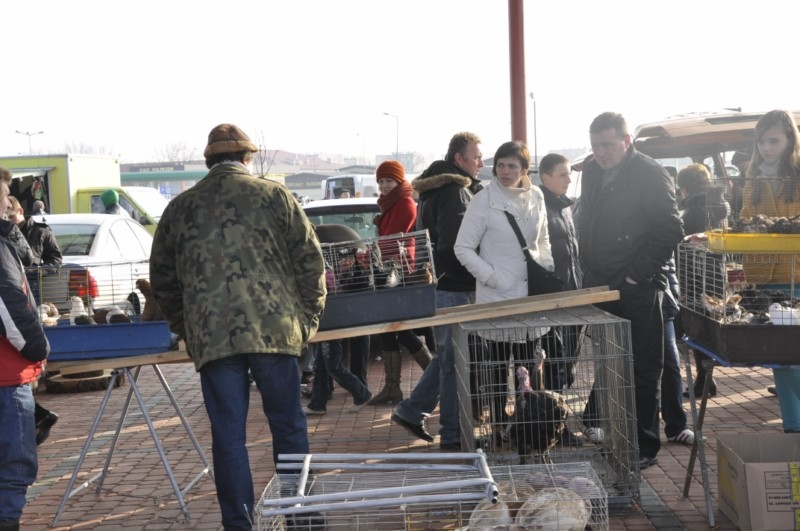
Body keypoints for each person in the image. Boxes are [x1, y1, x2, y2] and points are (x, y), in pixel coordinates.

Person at [149, 123, 327, 530]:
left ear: (208, 161)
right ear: (247, 158)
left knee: (228, 437)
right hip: (275, 330)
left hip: (213, 337)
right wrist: (306, 322)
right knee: (288, 427)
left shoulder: (179, 208)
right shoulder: (275, 195)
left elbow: (162, 279)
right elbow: (310, 263)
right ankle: (301, 518)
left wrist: (187, 327)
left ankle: (239, 523)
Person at [575, 112, 684, 470]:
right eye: (595, 146)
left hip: (638, 290)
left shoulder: (650, 173)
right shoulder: (592, 171)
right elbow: (586, 219)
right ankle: (616, 439)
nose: (600, 152)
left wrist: (636, 276)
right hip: (601, 285)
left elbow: (671, 229)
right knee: (609, 368)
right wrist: (588, 270)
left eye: (607, 145)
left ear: (626, 141)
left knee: (643, 370)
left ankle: (642, 446)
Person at [454, 140, 555, 443]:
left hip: (531, 295)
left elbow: (543, 238)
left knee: (530, 367)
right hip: (497, 297)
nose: (505, 171)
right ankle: (499, 428)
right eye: (500, 165)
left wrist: (545, 267)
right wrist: (491, 277)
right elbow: (463, 247)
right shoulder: (483, 200)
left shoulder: (536, 196)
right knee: (498, 369)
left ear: (525, 169)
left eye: (512, 166)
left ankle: (530, 427)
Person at [391, 132, 484, 449]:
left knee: (448, 356)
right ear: (459, 158)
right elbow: (457, 245)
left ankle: (412, 410)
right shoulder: (455, 191)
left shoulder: (433, 190)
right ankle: (453, 434)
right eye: (476, 157)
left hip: (442, 283)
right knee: (454, 362)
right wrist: (478, 274)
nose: (480, 163)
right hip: (455, 285)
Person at [738, 110, 800, 433]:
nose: (766, 147)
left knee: (792, 357)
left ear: (791, 139)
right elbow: (746, 218)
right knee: (782, 359)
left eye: (773, 140)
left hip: (797, 274)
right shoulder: (754, 177)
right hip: (765, 276)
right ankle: (793, 428)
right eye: (761, 141)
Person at [0, 180, 51, 531]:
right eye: (4, 196)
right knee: (14, 464)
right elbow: (9, 306)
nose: (8, 203)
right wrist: (39, 349)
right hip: (7, 375)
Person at [370, 160, 433, 404]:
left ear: (399, 181)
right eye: (381, 181)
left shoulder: (405, 202)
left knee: (400, 329)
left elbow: (390, 241)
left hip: (400, 274)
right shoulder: (389, 203)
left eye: (388, 181)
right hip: (389, 273)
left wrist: (370, 252)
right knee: (388, 328)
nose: (384, 185)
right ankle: (391, 387)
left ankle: (434, 377)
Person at [6, 196, 62, 445]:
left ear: (20, 211)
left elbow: (54, 259)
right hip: (18, 292)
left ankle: (38, 416)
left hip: (35, 291)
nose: (9, 218)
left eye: (11, 215)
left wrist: (41, 270)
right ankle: (39, 415)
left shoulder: (40, 232)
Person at [303, 224, 373, 415]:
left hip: (330, 319)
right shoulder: (323, 263)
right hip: (328, 318)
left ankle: (361, 393)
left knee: (331, 364)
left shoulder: (321, 267)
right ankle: (317, 403)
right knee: (321, 364)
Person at [676, 163, 729, 398]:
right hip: (715, 273)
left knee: (697, 331)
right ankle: (706, 379)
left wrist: (683, 284)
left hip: (696, 276)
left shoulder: (694, 210)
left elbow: (687, 249)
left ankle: (704, 381)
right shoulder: (718, 207)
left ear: (685, 187)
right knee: (708, 327)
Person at [538, 153, 583, 392]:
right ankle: (553, 402)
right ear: (546, 177)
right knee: (556, 357)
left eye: (569, 173)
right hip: (554, 293)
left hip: (573, 289)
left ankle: (560, 396)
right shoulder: (539, 207)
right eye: (563, 174)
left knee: (569, 355)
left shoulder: (564, 206)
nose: (569, 179)